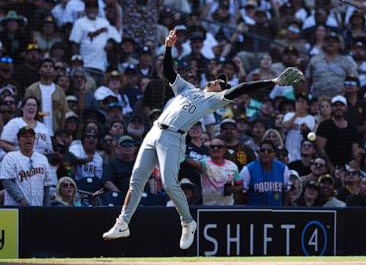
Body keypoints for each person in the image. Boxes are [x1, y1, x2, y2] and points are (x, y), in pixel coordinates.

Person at [102, 30, 303, 248]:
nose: (217, 81)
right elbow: (168, 71)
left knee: (170, 184)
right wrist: (168, 46)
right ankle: (122, 222)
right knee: (136, 180)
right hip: (154, 132)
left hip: (173, 138)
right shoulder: (188, 89)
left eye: (221, 82)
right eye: (218, 79)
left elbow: (243, 88)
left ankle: (188, 223)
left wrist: (271, 80)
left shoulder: (214, 100)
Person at [0, 126, 52, 206]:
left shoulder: (42, 159)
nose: (28, 139)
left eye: (31, 136)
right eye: (25, 136)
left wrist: (46, 207)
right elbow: (7, 182)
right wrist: (21, 199)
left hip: (37, 208)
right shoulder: (10, 157)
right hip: (15, 209)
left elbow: (46, 185)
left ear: (34, 140)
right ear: (18, 140)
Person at [186, 138, 242, 206]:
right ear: (209, 150)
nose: (215, 148)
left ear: (224, 150)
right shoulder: (205, 163)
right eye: (212, 147)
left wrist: (234, 189)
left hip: (228, 207)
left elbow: (239, 185)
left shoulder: (233, 166)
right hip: (208, 208)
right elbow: (193, 163)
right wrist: (181, 154)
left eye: (219, 147)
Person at [239, 140, 290, 206]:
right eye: (263, 150)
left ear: (274, 154)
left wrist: (282, 212)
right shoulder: (247, 169)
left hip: (276, 213)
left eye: (269, 151)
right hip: (254, 213)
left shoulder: (283, 169)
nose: (266, 153)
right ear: (259, 153)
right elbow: (241, 195)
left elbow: (287, 192)